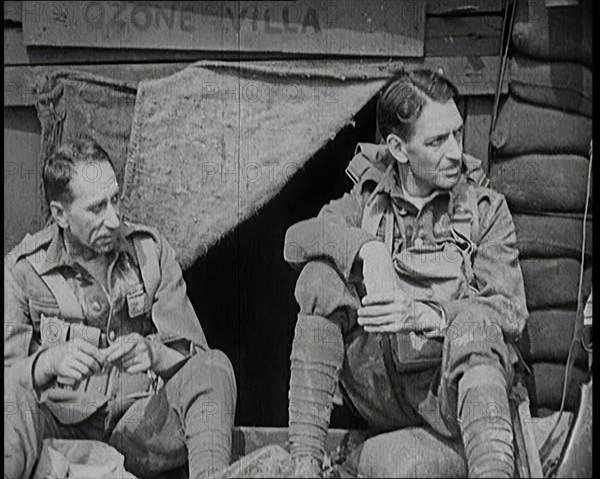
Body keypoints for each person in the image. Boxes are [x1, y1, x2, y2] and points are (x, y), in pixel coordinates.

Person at [283, 69, 529, 477]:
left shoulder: (485, 210)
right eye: (436, 141)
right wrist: (369, 250)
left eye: (457, 134)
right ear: (398, 148)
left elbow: (510, 311)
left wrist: (427, 315)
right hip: (383, 398)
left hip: (453, 405)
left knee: (478, 326)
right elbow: (295, 239)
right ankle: (304, 466)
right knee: (319, 278)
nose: (455, 152)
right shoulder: (366, 202)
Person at [4, 138, 237, 479]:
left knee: (215, 366)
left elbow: (196, 362)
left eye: (115, 200)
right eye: (97, 208)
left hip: (143, 429)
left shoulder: (149, 252)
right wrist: (48, 362)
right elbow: (10, 380)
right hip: (61, 433)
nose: (113, 219)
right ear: (60, 214)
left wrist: (155, 354)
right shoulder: (23, 270)